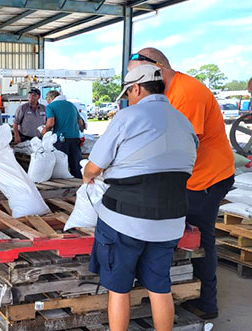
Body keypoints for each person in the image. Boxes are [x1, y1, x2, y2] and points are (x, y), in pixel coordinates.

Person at [84, 64, 198, 331]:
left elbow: (94, 165)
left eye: (129, 93)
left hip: (124, 220)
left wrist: (88, 177)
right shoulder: (183, 121)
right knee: (160, 286)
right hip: (171, 221)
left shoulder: (128, 117)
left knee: (119, 288)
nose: (128, 98)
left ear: (136, 88)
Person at [129, 48, 235, 320]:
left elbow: (182, 145)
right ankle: (175, 289)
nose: (135, 83)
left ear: (158, 68)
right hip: (184, 178)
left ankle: (205, 303)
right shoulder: (158, 93)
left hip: (206, 179)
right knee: (173, 232)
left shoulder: (187, 93)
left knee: (200, 237)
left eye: (137, 76)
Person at [42, 90, 85, 178]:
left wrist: (44, 131)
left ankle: (64, 188)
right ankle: (79, 185)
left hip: (61, 140)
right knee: (76, 165)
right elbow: (81, 123)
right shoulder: (71, 105)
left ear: (51, 98)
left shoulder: (51, 106)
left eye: (47, 99)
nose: (47, 101)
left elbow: (50, 123)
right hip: (75, 139)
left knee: (61, 166)